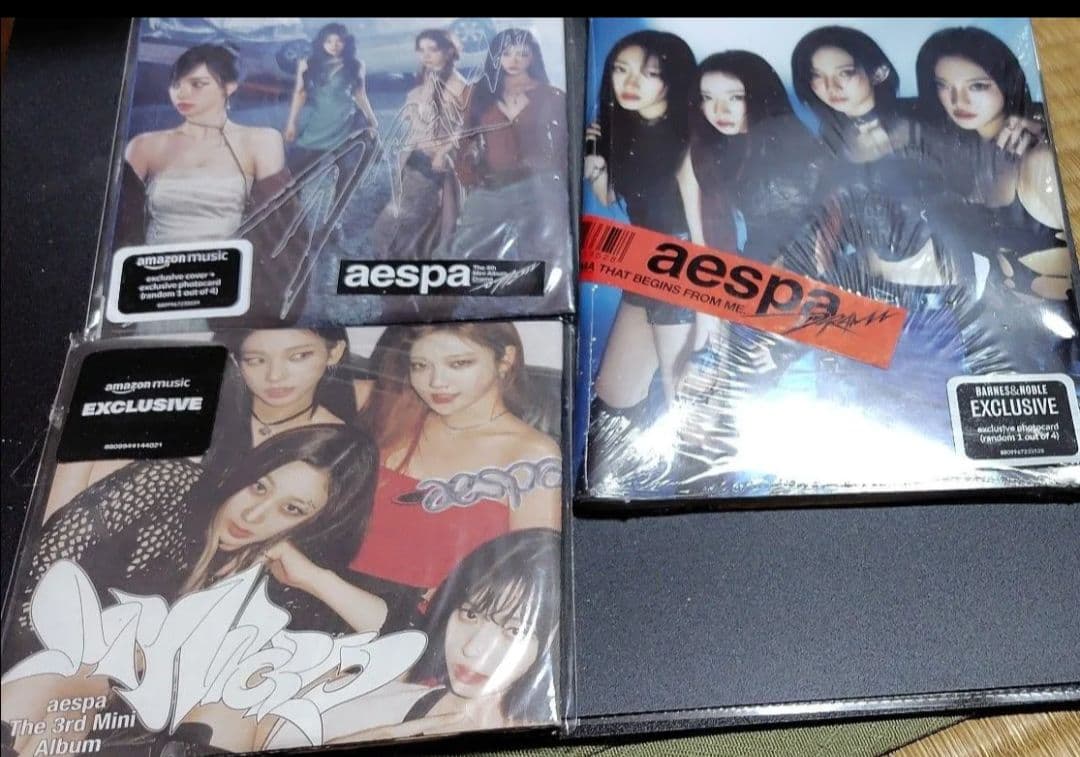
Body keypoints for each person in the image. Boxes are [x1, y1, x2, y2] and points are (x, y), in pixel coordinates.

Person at [2, 425, 386, 757]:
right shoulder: (172, 490)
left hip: (164, 732)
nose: (253, 515)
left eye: (292, 509)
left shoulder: (285, 581)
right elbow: (43, 567)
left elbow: (399, 638)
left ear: (315, 525)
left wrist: (314, 578)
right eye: (259, 487)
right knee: (63, 683)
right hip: (60, 683)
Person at [260, 529, 561, 747]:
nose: (473, 649)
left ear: (554, 639)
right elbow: (406, 634)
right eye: (470, 614)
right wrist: (312, 578)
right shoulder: (406, 695)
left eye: (515, 631)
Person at [349, 323, 561, 627]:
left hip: (419, 627)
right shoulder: (392, 409)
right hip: (325, 593)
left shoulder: (533, 454)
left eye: (458, 364)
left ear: (505, 359)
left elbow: (531, 579)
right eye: (420, 366)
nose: (436, 382)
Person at [42, 329, 355, 522]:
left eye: (298, 356)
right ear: (236, 360)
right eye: (256, 360)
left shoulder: (343, 447)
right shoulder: (195, 401)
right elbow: (72, 490)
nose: (275, 376)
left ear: (335, 352)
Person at [915, 26, 1076, 370]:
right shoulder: (967, 160)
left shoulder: (1039, 161)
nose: (958, 101)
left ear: (1006, 84)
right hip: (1003, 335)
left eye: (977, 85)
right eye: (944, 86)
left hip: (1061, 346)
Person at [114, 44, 308, 325]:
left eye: (197, 84)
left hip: (226, 287)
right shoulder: (145, 145)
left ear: (229, 87)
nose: (182, 93)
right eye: (176, 85)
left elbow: (280, 227)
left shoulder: (261, 140)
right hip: (158, 287)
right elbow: (121, 230)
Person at [581, 30, 699, 492]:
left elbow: (702, 223)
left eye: (648, 73)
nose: (630, 83)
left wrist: (706, 300)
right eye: (620, 70)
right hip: (644, 265)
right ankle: (607, 492)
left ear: (672, 79)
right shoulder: (623, 129)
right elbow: (612, 197)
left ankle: (699, 493)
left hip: (683, 266)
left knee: (680, 391)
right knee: (613, 391)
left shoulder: (690, 137)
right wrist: (596, 165)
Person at [441, 29, 571, 313]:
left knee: (545, 252)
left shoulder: (552, 96)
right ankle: (465, 312)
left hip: (539, 186)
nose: (514, 60)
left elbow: (563, 147)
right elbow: (465, 139)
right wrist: (469, 173)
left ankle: (548, 311)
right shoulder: (477, 92)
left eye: (523, 54)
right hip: (492, 186)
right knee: (464, 251)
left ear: (533, 58)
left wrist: (557, 182)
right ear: (496, 57)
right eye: (507, 53)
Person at [372, 29, 470, 260]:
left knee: (390, 229)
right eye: (421, 50)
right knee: (415, 227)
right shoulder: (428, 79)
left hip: (433, 164)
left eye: (433, 49)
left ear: (449, 51)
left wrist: (442, 152)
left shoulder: (461, 87)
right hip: (413, 160)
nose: (425, 55)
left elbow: (468, 129)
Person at [283, 22, 378, 175]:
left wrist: (371, 119)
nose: (334, 45)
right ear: (321, 43)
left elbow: (360, 94)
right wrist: (291, 123)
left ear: (346, 42)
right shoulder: (308, 63)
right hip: (318, 123)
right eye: (329, 41)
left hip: (345, 123)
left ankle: (343, 190)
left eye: (339, 41)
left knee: (349, 171)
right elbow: (300, 94)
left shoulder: (356, 65)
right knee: (295, 171)